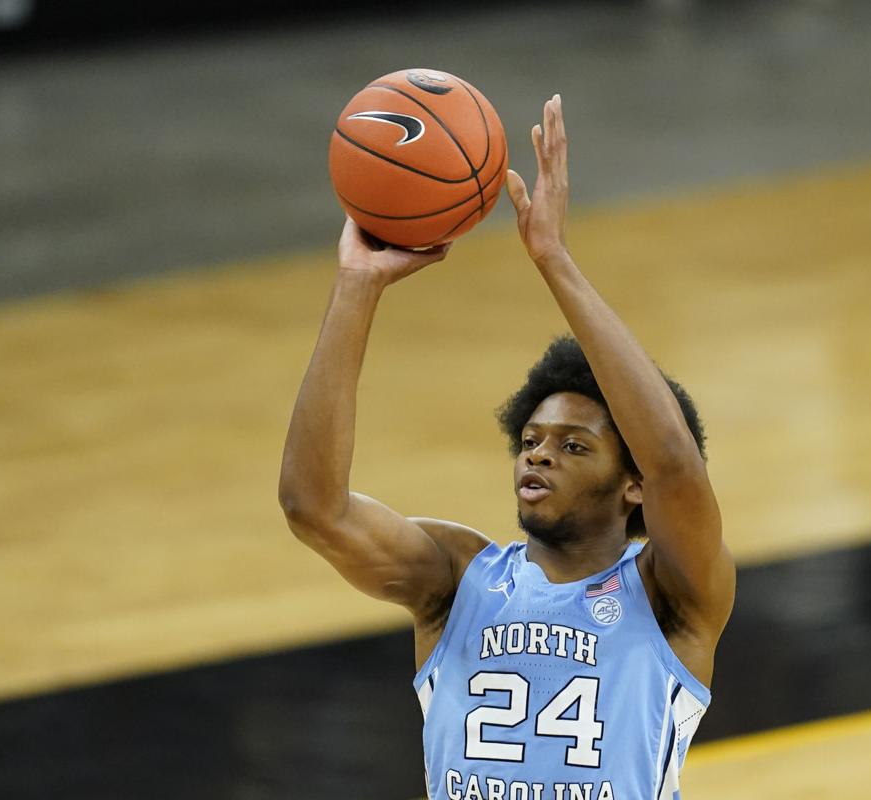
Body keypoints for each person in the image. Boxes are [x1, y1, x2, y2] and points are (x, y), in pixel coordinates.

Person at [279, 94, 735, 800]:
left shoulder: (671, 596)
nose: (538, 454)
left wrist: (553, 257)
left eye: (574, 446)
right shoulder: (459, 580)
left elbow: (675, 462)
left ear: (632, 483)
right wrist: (356, 286)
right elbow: (314, 509)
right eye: (530, 440)